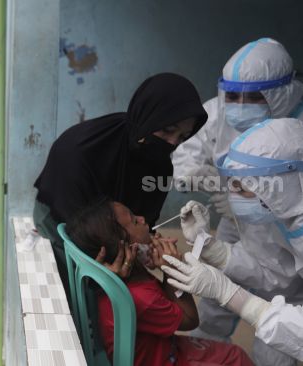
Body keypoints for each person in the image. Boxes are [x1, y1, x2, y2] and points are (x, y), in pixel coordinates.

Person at [171, 39, 303, 356]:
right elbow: (276, 275)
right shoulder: (218, 114)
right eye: (232, 95)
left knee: (273, 344)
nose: (240, 105)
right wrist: (216, 252)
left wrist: (250, 306)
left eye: (244, 183)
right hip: (259, 223)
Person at [34, 73, 208, 297]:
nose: (173, 143)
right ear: (147, 116)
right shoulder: (81, 152)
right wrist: (102, 270)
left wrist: (148, 247)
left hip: (112, 236)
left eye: (183, 136)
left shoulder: (160, 166)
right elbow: (79, 233)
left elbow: (144, 223)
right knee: (73, 289)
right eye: (167, 130)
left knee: (111, 290)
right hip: (61, 216)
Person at [67, 198, 253, 365]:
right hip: (164, 359)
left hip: (162, 347)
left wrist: (158, 265)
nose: (141, 218)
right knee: (237, 358)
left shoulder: (121, 277)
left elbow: (161, 298)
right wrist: (172, 268)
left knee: (232, 353)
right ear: (125, 247)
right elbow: (190, 320)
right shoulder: (142, 298)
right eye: (134, 220)